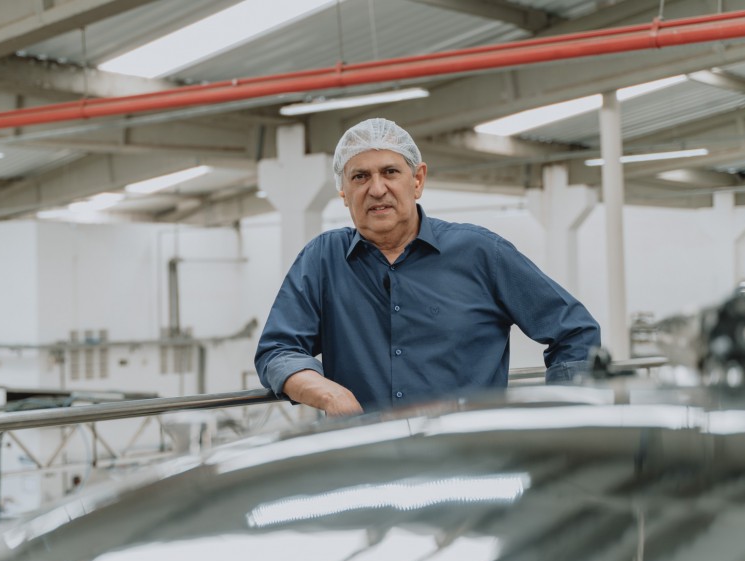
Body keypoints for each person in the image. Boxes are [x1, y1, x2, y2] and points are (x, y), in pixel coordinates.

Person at [255, 118, 601, 416]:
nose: (377, 189)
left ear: (417, 180)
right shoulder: (322, 260)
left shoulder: (480, 253)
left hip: (467, 466)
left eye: (390, 172)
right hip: (364, 466)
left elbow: (574, 332)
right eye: (360, 177)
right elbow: (277, 351)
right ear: (344, 192)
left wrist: (561, 412)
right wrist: (329, 393)